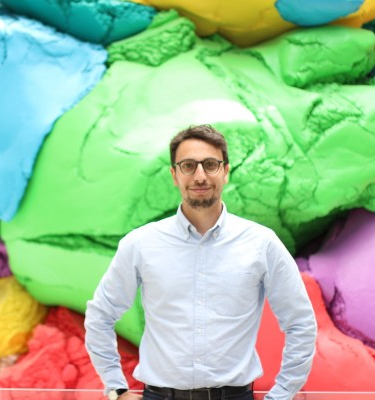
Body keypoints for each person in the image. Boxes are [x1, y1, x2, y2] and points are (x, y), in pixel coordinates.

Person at [85, 124, 317, 400]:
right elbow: (101, 315)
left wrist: (281, 395)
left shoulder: (262, 243)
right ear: (174, 175)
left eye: (210, 164)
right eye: (188, 166)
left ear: (226, 171)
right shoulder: (140, 244)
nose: (199, 176)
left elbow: (301, 323)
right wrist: (116, 389)